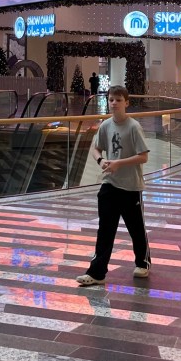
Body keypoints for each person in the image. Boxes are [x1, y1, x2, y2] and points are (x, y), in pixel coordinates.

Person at [76, 85, 151, 286]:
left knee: (136, 228)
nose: (114, 103)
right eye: (111, 100)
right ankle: (97, 272)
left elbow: (143, 156)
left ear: (127, 103)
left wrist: (119, 163)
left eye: (118, 100)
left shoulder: (133, 127)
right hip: (110, 184)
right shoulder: (105, 126)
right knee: (105, 229)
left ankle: (143, 262)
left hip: (131, 187)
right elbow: (96, 149)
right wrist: (101, 161)